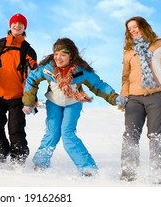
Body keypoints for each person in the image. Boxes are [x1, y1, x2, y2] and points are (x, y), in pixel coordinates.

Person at [22, 38, 126, 176]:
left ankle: (88, 168)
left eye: (63, 54)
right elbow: (32, 79)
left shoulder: (81, 71)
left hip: (73, 104)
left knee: (67, 134)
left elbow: (98, 85)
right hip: (54, 103)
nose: (58, 58)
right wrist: (28, 102)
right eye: (56, 54)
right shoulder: (48, 68)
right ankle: (40, 163)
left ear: (71, 56)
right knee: (52, 133)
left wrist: (114, 97)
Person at [119, 16, 161, 184]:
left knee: (156, 135)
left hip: (157, 95)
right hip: (134, 98)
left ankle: (158, 177)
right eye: (129, 29)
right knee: (130, 135)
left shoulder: (159, 44)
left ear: (143, 27)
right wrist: (124, 94)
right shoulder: (129, 51)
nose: (132, 30)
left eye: (135, 27)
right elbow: (125, 77)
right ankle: (128, 175)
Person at [0, 13, 37, 166]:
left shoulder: (28, 51)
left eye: (21, 24)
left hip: (18, 98)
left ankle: (18, 157)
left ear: (25, 28)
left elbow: (31, 78)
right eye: (15, 23)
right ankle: (2, 152)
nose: (17, 26)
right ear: (10, 25)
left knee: (15, 130)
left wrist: (30, 98)